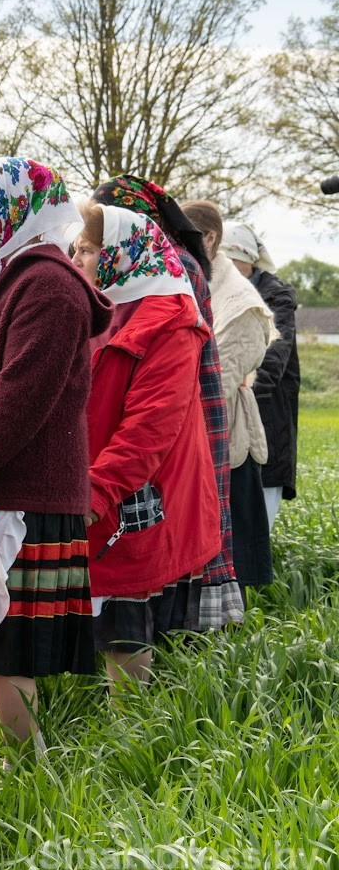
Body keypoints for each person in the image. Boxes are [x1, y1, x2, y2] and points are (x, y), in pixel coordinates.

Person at [0, 157, 107, 748]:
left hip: (22, 491)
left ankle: (28, 772)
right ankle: (24, 764)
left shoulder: (49, 286)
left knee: (6, 650)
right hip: (1, 488)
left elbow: (16, 402)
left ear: (15, 208)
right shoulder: (11, 275)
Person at [71, 205, 219, 686]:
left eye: (89, 251)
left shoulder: (170, 320)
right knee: (101, 610)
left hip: (138, 490)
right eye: (76, 249)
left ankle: (136, 739)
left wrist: (99, 489)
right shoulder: (105, 307)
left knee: (125, 618)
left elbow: (151, 424)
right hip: (100, 485)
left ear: (123, 255)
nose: (78, 260)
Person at [93, 176, 241, 630]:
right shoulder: (128, 273)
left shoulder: (170, 267)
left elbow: (165, 368)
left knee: (170, 530)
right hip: (158, 403)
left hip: (174, 401)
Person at [181, 201, 277, 590]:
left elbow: (215, 386)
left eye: (185, 238)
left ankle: (229, 637)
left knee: (233, 557)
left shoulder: (242, 306)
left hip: (229, 443)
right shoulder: (193, 283)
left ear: (209, 238)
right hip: (197, 439)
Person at [222, 222, 301, 531]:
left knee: (254, 537)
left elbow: (270, 365)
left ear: (246, 260)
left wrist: (223, 389)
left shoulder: (274, 299)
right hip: (231, 434)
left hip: (266, 432)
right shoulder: (223, 293)